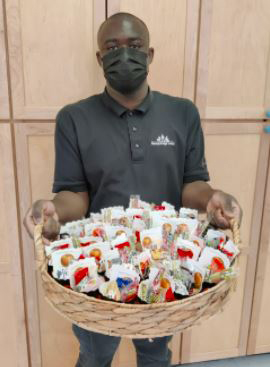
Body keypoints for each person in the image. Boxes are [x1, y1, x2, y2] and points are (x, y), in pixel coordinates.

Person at [24, 12, 242, 367]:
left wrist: (212, 198)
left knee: (156, 353)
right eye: (112, 47)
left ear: (150, 54)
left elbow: (192, 184)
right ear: (99, 58)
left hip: (164, 264)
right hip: (98, 268)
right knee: (95, 354)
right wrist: (52, 211)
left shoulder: (183, 114)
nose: (124, 55)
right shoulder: (73, 119)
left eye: (134, 46)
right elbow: (73, 196)